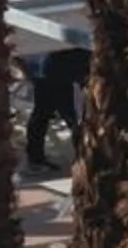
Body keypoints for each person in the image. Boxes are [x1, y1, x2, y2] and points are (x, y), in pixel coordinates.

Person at [26, 44, 91, 172]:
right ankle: (85, 159)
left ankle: (35, 158)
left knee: (42, 115)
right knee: (73, 119)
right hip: (62, 72)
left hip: (49, 70)